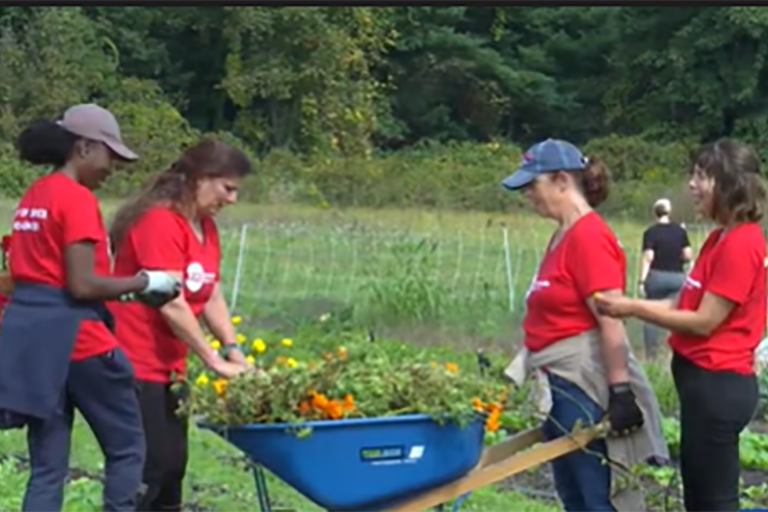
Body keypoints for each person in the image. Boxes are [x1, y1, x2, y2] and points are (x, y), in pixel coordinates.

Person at [0, 104, 180, 512]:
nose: (112, 167)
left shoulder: (34, 195)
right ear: (83, 147)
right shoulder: (75, 199)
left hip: (34, 342)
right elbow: (81, 285)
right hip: (80, 342)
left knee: (47, 466)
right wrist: (146, 282)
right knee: (128, 447)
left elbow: (29, 274)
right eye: (109, 155)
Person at [595, 138, 766, 512]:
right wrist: (633, 304)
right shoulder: (719, 238)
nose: (691, 185)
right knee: (700, 499)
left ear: (729, 184)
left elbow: (705, 321)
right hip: (702, 388)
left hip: (718, 388)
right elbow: (684, 301)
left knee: (713, 503)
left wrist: (632, 308)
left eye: (701, 176)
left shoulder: (741, 244)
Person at [501, 139, 667, 512]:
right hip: (560, 384)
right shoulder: (562, 234)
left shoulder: (590, 237)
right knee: (574, 496)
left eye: (532, 185)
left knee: (597, 498)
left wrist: (620, 391)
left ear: (562, 180)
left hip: (584, 386)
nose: (527, 195)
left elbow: (609, 322)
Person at [108, 138, 255, 511]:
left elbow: (210, 292)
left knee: (173, 468)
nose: (233, 199)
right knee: (151, 467)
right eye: (228, 188)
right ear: (201, 179)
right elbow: (171, 302)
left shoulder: (204, 226)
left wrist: (232, 349)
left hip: (170, 367)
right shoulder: (159, 221)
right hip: (135, 362)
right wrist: (211, 359)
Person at [638, 197, 693, 358]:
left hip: (657, 276)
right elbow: (688, 254)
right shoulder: (680, 231)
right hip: (677, 277)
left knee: (650, 314)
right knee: (675, 314)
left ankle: (651, 354)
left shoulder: (650, 232)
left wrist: (642, 280)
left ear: (655, 213)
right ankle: (674, 351)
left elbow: (648, 257)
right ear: (669, 212)